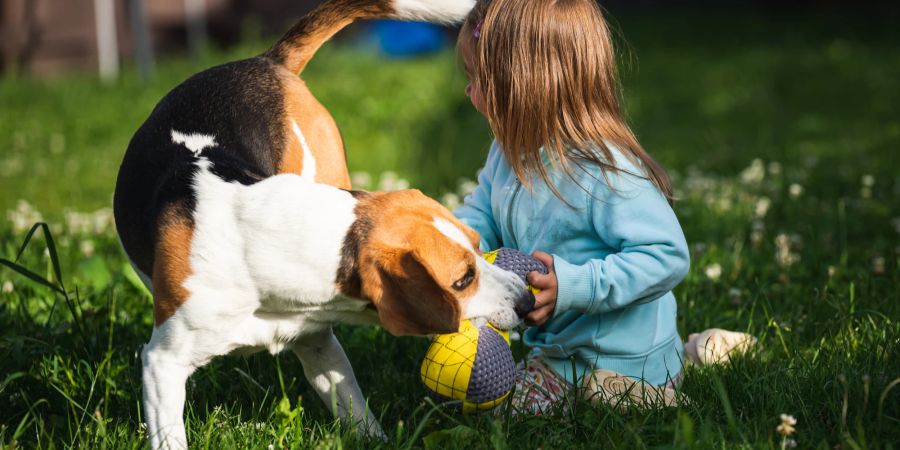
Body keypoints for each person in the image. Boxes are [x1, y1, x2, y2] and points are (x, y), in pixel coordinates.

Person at [453, 0, 754, 414]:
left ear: (521, 84)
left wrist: (576, 285)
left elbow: (666, 256)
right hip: (562, 348)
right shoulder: (506, 152)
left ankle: (664, 393)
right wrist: (452, 245)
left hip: (622, 358)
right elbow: (482, 214)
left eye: (475, 78)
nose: (468, 91)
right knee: (490, 400)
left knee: (508, 410)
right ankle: (705, 349)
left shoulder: (604, 171)